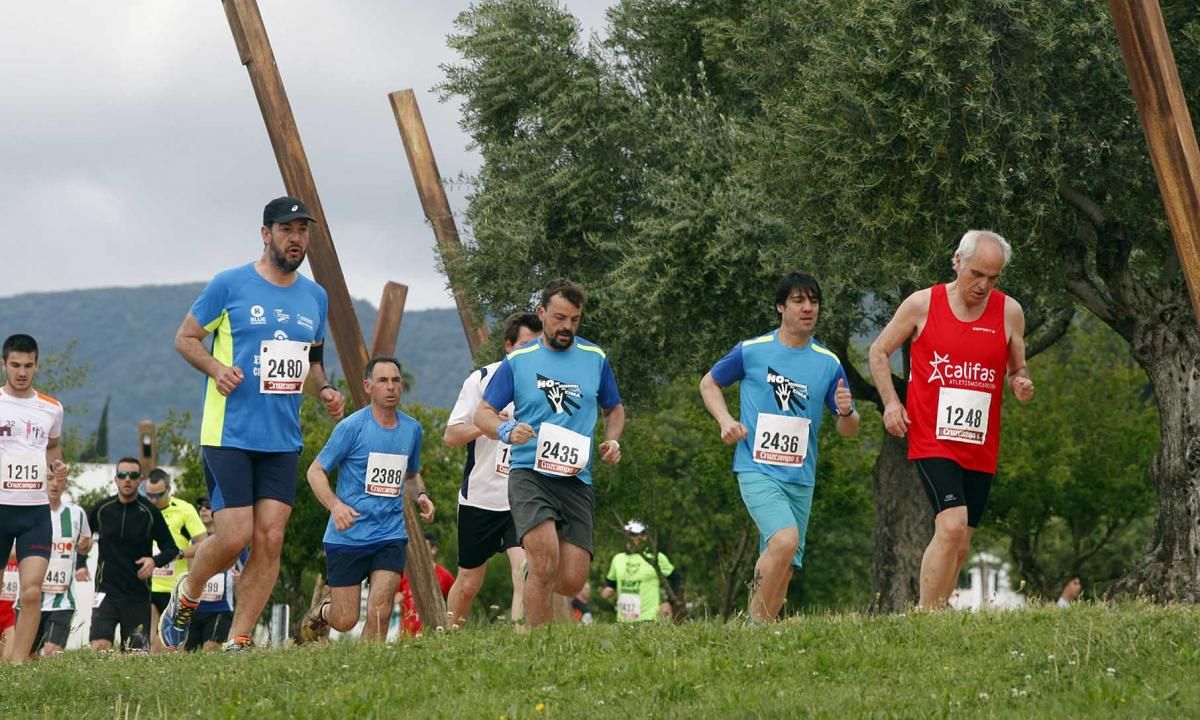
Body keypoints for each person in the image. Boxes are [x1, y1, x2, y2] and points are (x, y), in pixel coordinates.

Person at [162, 196, 345, 652]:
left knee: (271, 538)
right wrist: (216, 370)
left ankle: (239, 639)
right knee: (235, 535)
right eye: (288, 229)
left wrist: (323, 389)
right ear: (266, 234)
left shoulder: (314, 297)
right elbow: (186, 338)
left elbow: (313, 362)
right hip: (229, 433)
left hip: (282, 438)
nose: (297, 238)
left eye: (303, 230)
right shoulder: (230, 284)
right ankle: (188, 594)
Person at [868, 230, 1034, 609]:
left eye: (993, 278)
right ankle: (926, 616)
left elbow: (1017, 366)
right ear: (957, 261)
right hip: (933, 436)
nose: (983, 285)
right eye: (977, 273)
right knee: (951, 524)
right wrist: (892, 404)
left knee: (961, 541)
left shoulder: (1010, 312)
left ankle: (938, 614)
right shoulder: (922, 305)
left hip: (979, 441)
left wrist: (1021, 381)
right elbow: (878, 352)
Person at [700, 272, 859, 622]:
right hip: (756, 467)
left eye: (813, 302)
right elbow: (709, 383)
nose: (808, 308)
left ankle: (761, 637)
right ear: (780, 307)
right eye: (799, 301)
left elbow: (848, 429)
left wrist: (846, 411)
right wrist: (726, 420)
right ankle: (751, 626)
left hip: (801, 477)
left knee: (785, 564)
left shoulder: (828, 362)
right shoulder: (752, 351)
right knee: (784, 541)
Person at [474, 279, 625, 627]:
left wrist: (613, 440)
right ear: (542, 313)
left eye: (574, 319)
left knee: (571, 579)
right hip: (530, 473)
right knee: (543, 560)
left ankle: (534, 584)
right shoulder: (519, 361)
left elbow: (614, 409)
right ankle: (539, 644)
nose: (566, 327)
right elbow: (482, 412)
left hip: (576, 476)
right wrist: (506, 430)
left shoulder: (595, 358)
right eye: (559, 318)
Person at [299, 357, 434, 643]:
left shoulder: (412, 430)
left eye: (396, 381)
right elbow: (315, 471)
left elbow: (411, 475)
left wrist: (421, 495)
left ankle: (366, 669)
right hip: (348, 534)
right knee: (345, 620)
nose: (391, 387)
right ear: (368, 386)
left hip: (389, 533)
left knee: (380, 610)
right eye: (383, 381)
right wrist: (335, 506)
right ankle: (325, 610)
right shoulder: (351, 428)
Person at [444, 312, 542, 627]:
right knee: (469, 582)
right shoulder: (482, 380)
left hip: (523, 493)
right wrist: (492, 423)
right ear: (508, 346)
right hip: (481, 497)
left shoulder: (545, 384)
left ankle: (521, 643)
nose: (532, 353)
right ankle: (450, 638)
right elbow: (451, 436)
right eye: (525, 345)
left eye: (537, 346)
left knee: (524, 570)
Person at [0, 333, 69, 663]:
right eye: (15, 365)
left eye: (28, 366)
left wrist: (58, 470)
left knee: (30, 592)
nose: (22, 372)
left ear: (37, 366)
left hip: (34, 512)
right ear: (4, 365)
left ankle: (17, 665)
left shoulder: (52, 408)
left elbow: (53, 449)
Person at [88, 458, 178, 652]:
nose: (127, 479)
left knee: (135, 655)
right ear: (116, 479)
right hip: (106, 592)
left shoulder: (150, 512)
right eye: (122, 475)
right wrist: (80, 561)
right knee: (99, 646)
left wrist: (154, 561)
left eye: (133, 475)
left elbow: (171, 548)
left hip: (137, 595)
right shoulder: (102, 509)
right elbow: (82, 536)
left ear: (141, 480)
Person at [143, 469, 207, 654]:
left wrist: (179, 553)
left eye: (159, 495)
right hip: (148, 587)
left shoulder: (185, 510)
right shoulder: (142, 509)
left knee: (173, 645)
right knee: (152, 642)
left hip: (175, 588)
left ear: (169, 489)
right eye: (149, 495)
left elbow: (204, 544)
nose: (153, 500)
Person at [34, 469, 93, 657]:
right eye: (49, 479)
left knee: (52, 653)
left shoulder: (76, 513)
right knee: (27, 658)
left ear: (65, 483)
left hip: (63, 601)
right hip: (30, 600)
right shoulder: (29, 513)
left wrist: (85, 546)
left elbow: (85, 543)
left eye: (59, 480)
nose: (54, 484)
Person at [601, 520, 680, 623]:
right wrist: (609, 588)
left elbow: (677, 580)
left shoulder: (655, 558)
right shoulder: (618, 559)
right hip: (623, 622)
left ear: (645, 536)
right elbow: (611, 582)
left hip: (649, 620)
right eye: (629, 534)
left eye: (634, 534)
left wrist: (669, 602)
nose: (630, 538)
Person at [397, 533, 455, 636]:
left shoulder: (445, 576)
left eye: (423, 547)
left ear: (434, 549)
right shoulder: (405, 574)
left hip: (435, 636)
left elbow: (454, 604)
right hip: (407, 637)